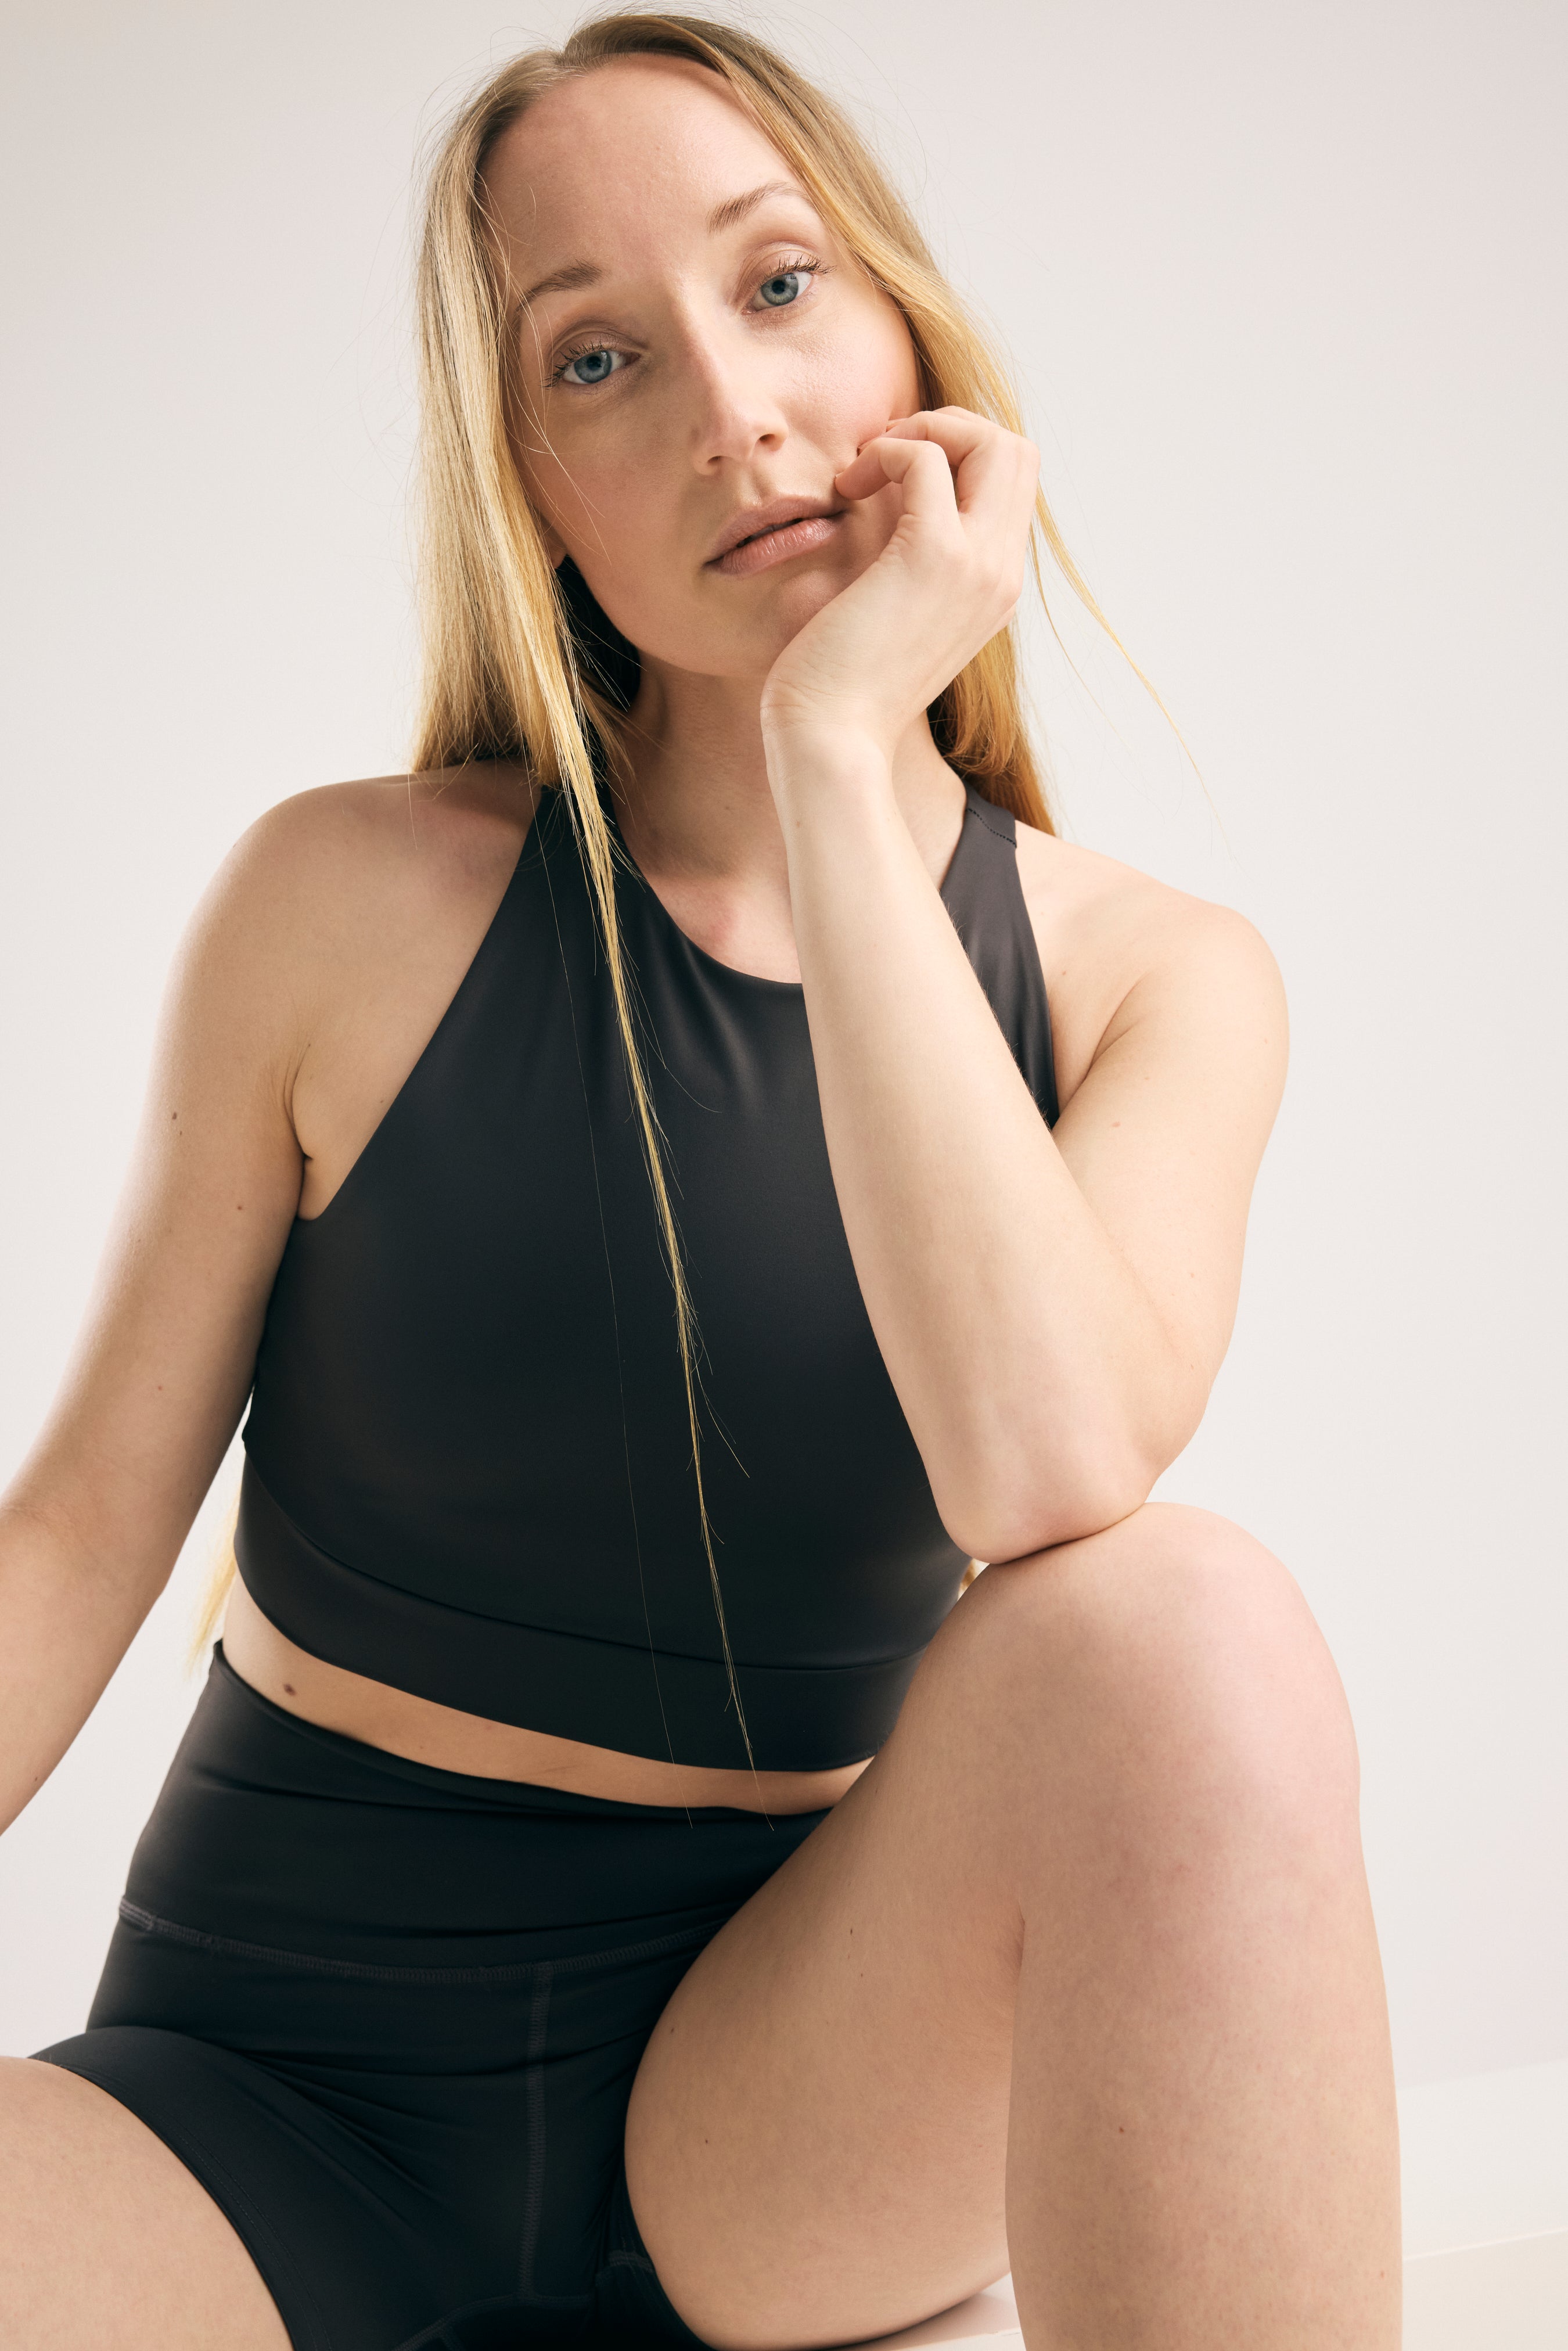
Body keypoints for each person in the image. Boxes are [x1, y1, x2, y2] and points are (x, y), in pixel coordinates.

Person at [0, 13, 1401, 2350]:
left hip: (784, 2121)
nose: (732, 418)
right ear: (530, 484)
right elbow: (70, 1536)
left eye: (775, 287)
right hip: (260, 2103)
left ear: (909, 339)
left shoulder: (1152, 982)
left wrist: (836, 748)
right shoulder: (344, 903)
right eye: (597, 359)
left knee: (1185, 1622)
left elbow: (1046, 1471)